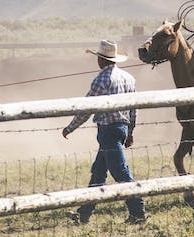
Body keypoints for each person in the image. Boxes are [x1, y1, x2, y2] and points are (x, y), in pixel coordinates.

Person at [62, 40, 146, 224]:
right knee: (98, 172)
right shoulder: (128, 78)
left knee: (120, 172)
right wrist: (130, 131)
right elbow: (134, 108)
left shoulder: (101, 79)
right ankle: (84, 213)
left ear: (101, 60)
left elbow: (87, 108)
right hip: (121, 128)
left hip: (107, 131)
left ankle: (138, 212)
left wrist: (71, 127)